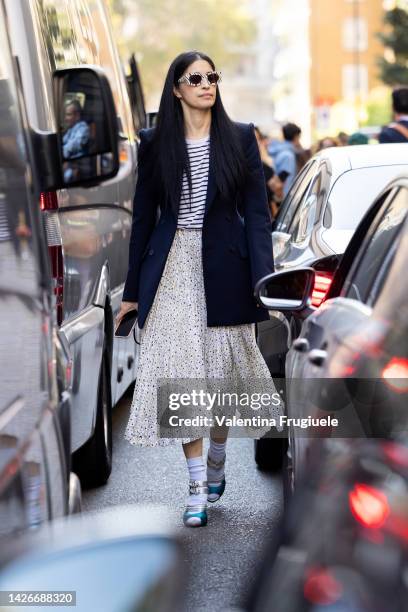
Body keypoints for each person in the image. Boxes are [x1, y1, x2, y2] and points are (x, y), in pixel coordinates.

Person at [115, 50, 280, 528]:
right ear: (176, 88)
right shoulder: (154, 142)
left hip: (227, 267)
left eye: (212, 77)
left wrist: (262, 280)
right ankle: (194, 489)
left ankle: (217, 458)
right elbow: (144, 218)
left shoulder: (239, 137)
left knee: (221, 376)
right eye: (196, 78)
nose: (207, 84)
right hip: (172, 269)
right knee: (184, 375)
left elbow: (256, 217)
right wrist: (132, 290)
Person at [254, 125, 284, 219]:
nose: (254, 143)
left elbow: (274, 203)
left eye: (257, 139)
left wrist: (278, 193)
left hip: (263, 224)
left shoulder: (266, 168)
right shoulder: (232, 168)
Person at [268, 122, 302, 197]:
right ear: (296, 136)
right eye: (299, 137)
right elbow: (283, 180)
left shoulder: (282, 151)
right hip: (285, 198)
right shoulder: (288, 156)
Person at [62, 100, 90, 182]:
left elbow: (71, 147)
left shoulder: (83, 128)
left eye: (68, 115)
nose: (65, 118)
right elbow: (63, 142)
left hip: (78, 167)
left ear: (77, 116)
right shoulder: (71, 129)